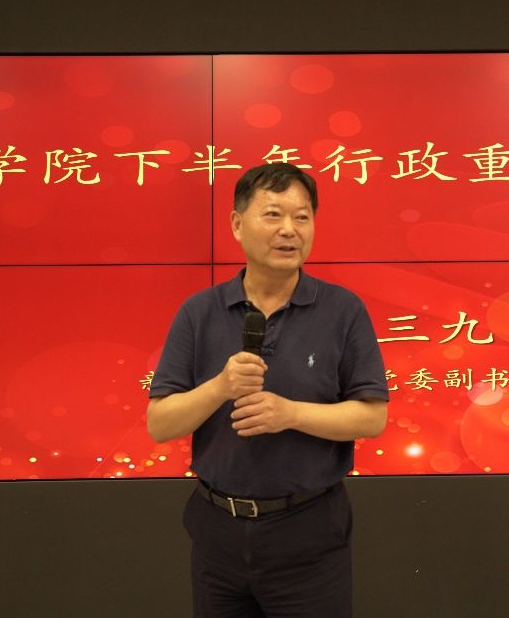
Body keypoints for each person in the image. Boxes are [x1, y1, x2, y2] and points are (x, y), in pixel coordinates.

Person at [146, 162, 389, 617]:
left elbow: (372, 416)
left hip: (309, 532)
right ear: (238, 224)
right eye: (273, 215)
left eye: (302, 217)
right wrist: (219, 387)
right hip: (218, 533)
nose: (289, 230)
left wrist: (290, 413)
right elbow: (160, 424)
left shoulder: (342, 310)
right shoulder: (199, 312)